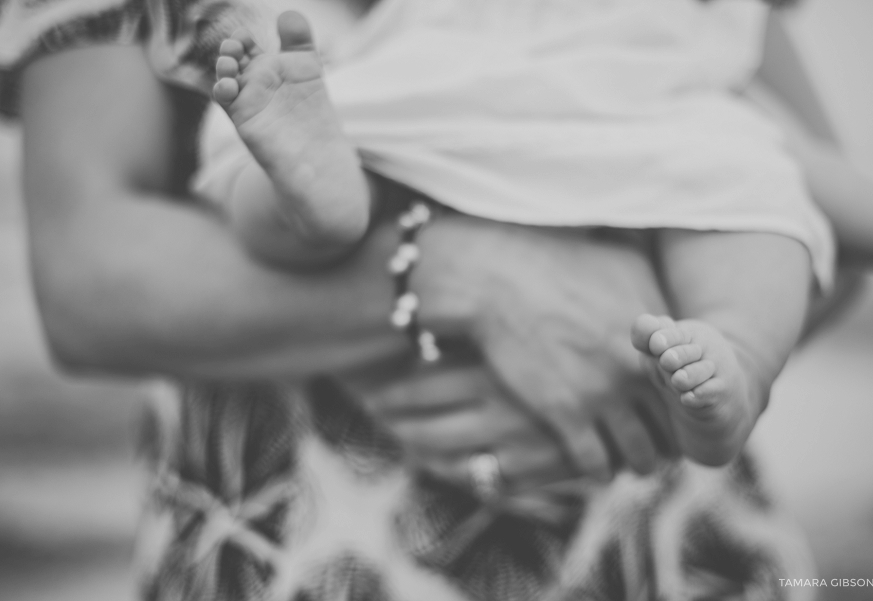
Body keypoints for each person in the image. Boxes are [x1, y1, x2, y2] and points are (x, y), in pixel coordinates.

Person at [3, 0, 868, 598]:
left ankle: (328, 200)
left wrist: (683, 321)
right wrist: (467, 273)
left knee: (750, 192)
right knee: (315, 155)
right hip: (311, 552)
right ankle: (323, 192)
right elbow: (88, 278)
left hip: (662, 531)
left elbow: (812, 204)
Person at [200, 0, 828, 472]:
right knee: (745, 179)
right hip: (502, 92)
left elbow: (812, 166)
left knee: (743, 174)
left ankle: (321, 202)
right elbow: (810, 171)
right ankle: (317, 196)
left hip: (447, 101)